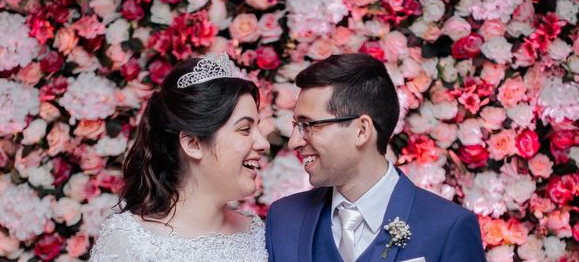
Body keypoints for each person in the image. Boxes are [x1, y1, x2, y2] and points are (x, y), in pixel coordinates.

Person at [265, 54, 485, 262]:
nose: (294, 141)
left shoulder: (449, 227)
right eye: (296, 126)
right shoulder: (283, 219)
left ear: (361, 130)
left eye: (308, 125)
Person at [90, 53, 270, 262]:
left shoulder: (257, 233)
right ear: (193, 144)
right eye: (245, 129)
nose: (263, 143)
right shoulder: (131, 242)